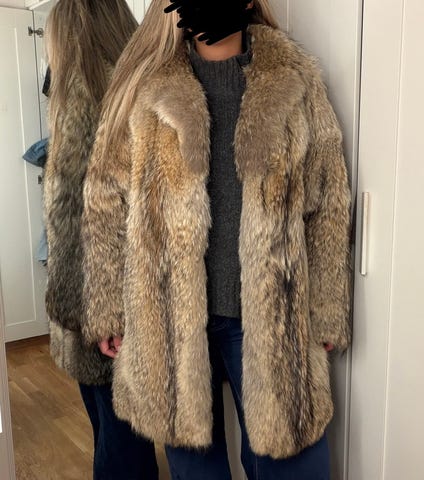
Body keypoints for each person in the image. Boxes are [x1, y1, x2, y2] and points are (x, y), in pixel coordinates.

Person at [82, 0, 352, 478]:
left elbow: (328, 200)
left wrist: (327, 308)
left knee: (293, 465)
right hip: (167, 318)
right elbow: (104, 200)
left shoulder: (295, 81)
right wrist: (106, 308)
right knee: (195, 469)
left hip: (271, 316)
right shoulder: (144, 89)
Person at [43, 1, 159, 478]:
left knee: (116, 440)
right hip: (125, 295)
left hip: (98, 302)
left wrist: (79, 308)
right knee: (123, 431)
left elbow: (75, 211)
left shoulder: (86, 93)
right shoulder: (140, 84)